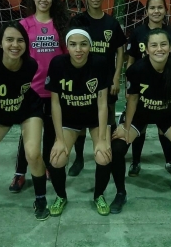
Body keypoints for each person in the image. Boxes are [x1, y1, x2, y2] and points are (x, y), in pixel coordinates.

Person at [0, 20, 50, 221]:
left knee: (33, 154)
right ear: (0, 43)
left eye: (20, 40)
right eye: (10, 40)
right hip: (0, 115)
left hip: (28, 110)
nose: (15, 45)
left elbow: (24, 91)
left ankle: (40, 199)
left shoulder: (30, 65)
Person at [111, 28, 171, 214]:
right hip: (140, 114)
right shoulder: (136, 69)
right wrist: (125, 128)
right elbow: (132, 100)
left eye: (163, 44)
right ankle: (120, 193)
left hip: (166, 115)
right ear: (147, 49)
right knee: (117, 147)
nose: (159, 49)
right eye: (154, 45)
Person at [45, 19, 113, 216]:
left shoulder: (99, 63)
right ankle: (61, 196)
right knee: (57, 159)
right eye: (73, 44)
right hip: (69, 119)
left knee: (103, 156)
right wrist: (59, 139)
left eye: (83, 44)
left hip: (94, 118)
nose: (78, 49)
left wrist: (100, 139)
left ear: (90, 45)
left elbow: (102, 104)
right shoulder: (58, 64)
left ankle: (98, 195)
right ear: (67, 46)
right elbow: (55, 104)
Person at [9, 0, 69, 193]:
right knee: (27, 133)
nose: (43, 0)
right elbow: (17, 55)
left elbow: (66, 56)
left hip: (54, 89)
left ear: (53, 0)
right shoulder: (24, 25)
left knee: (52, 131)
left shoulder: (60, 25)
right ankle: (20, 173)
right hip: (31, 89)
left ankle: (48, 166)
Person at [68, 0, 126, 177]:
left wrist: (116, 77)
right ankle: (79, 158)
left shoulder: (111, 23)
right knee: (81, 121)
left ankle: (106, 155)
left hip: (105, 82)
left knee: (106, 120)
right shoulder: (78, 21)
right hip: (82, 81)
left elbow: (120, 49)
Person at [125, 0, 171, 177]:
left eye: (160, 7)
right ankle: (136, 162)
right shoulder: (138, 33)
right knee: (140, 124)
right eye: (152, 8)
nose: (156, 11)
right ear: (146, 11)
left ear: (165, 10)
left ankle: (169, 161)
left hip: (165, 88)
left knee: (164, 125)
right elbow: (131, 62)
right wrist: (129, 89)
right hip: (142, 89)